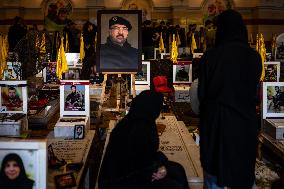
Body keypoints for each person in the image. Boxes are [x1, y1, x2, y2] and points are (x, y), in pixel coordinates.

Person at [198, 9, 262, 189]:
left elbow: (201, 95)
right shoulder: (255, 58)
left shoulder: (210, 57)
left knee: (215, 178)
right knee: (243, 175)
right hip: (244, 127)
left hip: (216, 127)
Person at [98, 90, 188, 189]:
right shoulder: (139, 128)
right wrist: (159, 169)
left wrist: (161, 165)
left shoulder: (134, 119)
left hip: (130, 174)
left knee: (177, 169)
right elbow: (139, 164)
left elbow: (146, 156)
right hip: (120, 181)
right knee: (174, 183)